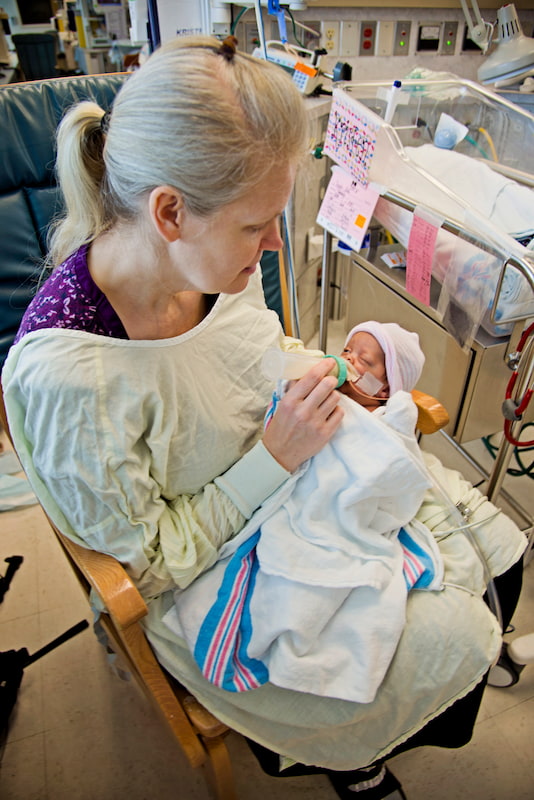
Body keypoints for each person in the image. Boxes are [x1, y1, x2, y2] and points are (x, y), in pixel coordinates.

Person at [1, 35, 526, 800]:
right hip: (207, 560)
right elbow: (145, 565)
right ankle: (350, 758)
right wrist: (271, 459)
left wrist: (327, 370)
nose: (275, 245)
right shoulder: (73, 384)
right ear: (170, 212)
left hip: (288, 473)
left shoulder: (204, 262)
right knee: (427, 640)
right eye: (256, 227)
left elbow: (253, 349)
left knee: (494, 546)